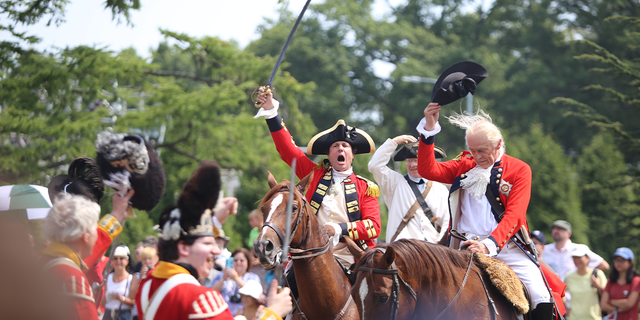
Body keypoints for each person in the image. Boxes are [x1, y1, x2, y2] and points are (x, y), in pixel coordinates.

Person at [418, 103, 558, 318]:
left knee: (541, 296)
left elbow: (515, 215)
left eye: (482, 150)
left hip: (507, 248)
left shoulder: (519, 169)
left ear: (498, 144)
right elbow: (427, 169)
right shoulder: (464, 165)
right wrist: (428, 131)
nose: (477, 156)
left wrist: (487, 245)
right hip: (463, 247)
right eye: (473, 151)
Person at [255, 86, 381, 268]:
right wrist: (270, 111)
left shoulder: (366, 187)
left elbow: (373, 226)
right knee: (287, 283)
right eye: (335, 146)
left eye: (345, 146)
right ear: (329, 155)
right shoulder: (314, 173)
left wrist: (338, 229)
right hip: (309, 253)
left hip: (350, 255)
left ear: (352, 154)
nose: (340, 149)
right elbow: (287, 150)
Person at [41, 191, 133, 320]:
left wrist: (116, 215)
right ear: (86, 235)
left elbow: (98, 241)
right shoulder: (72, 280)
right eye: (95, 228)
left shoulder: (40, 259)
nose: (97, 234)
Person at [368, 134, 450, 242]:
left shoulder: (441, 189)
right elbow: (374, 165)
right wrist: (394, 142)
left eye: (417, 160)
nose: (412, 165)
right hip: (401, 253)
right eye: (409, 160)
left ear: (427, 161)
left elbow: (446, 223)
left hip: (432, 252)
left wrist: (440, 248)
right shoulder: (394, 183)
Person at [542, 220, 609, 281]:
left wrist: (585, 279)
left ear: (569, 233)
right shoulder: (544, 249)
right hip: (549, 292)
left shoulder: (579, 249)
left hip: (571, 293)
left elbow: (604, 265)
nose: (556, 231)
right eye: (554, 228)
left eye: (560, 229)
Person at [212, 248, 261, 315]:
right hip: (222, 313)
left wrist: (236, 279)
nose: (238, 262)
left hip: (243, 315)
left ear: (247, 262)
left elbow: (255, 294)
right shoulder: (222, 275)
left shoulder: (252, 277)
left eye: (241, 260)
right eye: (235, 260)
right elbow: (211, 291)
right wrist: (223, 279)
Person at [564, 245, 607, 320]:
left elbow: (608, 296)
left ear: (588, 258)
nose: (576, 260)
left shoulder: (598, 274)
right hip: (573, 318)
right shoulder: (569, 276)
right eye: (574, 257)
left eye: (579, 257)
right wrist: (565, 308)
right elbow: (561, 293)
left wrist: (599, 286)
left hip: (593, 318)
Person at [601, 247, 640, 320]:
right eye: (616, 260)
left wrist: (610, 301)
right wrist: (618, 309)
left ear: (630, 263)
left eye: (622, 261)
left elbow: (629, 303)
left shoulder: (636, 281)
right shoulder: (611, 281)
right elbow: (603, 305)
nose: (618, 263)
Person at [104, 246, 134, 320]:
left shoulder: (131, 278)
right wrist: (107, 297)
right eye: (115, 258)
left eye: (121, 258)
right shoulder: (108, 277)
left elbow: (133, 302)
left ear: (127, 261)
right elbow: (102, 302)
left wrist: (121, 298)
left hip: (124, 315)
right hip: (108, 314)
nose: (118, 261)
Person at [129, 246, 159, 320]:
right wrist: (140, 279)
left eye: (150, 258)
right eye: (144, 259)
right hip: (138, 314)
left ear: (156, 259)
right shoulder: (136, 275)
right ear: (141, 261)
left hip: (153, 313)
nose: (147, 261)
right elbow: (131, 296)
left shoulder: (159, 275)